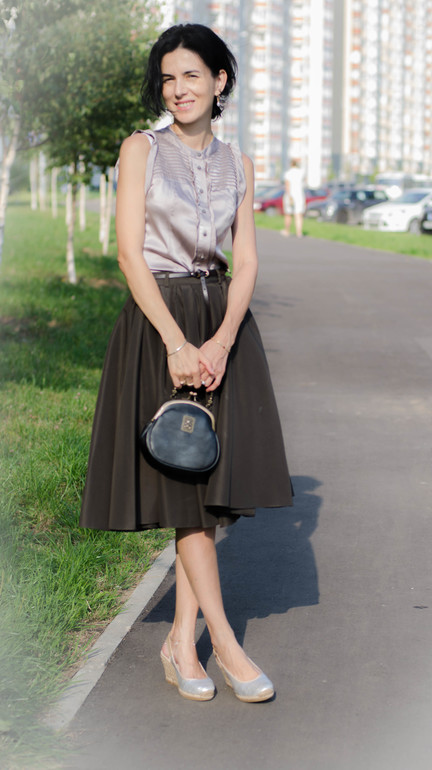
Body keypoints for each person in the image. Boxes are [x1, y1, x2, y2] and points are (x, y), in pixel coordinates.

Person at [79, 24, 292, 703]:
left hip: (222, 325)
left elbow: (246, 259)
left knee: (208, 491)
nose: (179, 89)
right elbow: (129, 253)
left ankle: (179, 642)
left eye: (192, 75)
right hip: (160, 325)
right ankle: (224, 643)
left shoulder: (240, 163)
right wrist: (176, 342)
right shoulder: (140, 149)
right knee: (185, 496)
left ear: (219, 81)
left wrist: (223, 339)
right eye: (168, 77)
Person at [281, 159, 305, 237]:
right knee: (298, 215)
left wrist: (289, 196)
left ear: (291, 164)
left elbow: (287, 185)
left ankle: (287, 231)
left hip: (290, 195)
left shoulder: (288, 173)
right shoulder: (301, 173)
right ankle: (299, 232)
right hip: (299, 195)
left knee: (288, 214)